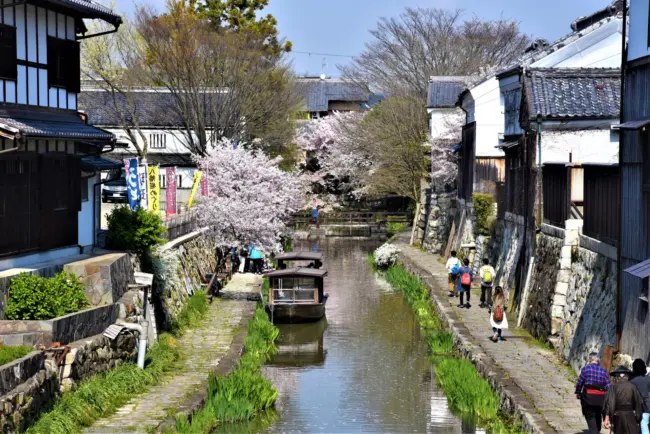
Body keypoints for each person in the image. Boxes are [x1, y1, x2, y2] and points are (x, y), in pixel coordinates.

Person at [576, 352, 611, 433]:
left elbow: (580, 383)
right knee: (598, 414)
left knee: (590, 416)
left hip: (589, 399)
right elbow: (608, 387)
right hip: (601, 400)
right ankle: (596, 430)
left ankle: (594, 431)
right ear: (598, 361)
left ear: (590, 360)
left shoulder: (585, 369)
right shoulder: (604, 371)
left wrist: (578, 392)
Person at [604, 366, 644, 433]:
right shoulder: (633, 387)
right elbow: (639, 402)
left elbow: (609, 403)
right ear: (627, 376)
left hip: (618, 416)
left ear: (617, 376)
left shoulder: (613, 387)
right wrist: (638, 417)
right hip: (630, 415)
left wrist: (607, 418)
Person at [631, 359, 650, 434]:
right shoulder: (648, 379)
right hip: (647, 405)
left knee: (635, 425)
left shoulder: (631, 380)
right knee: (644, 424)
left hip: (635, 406)